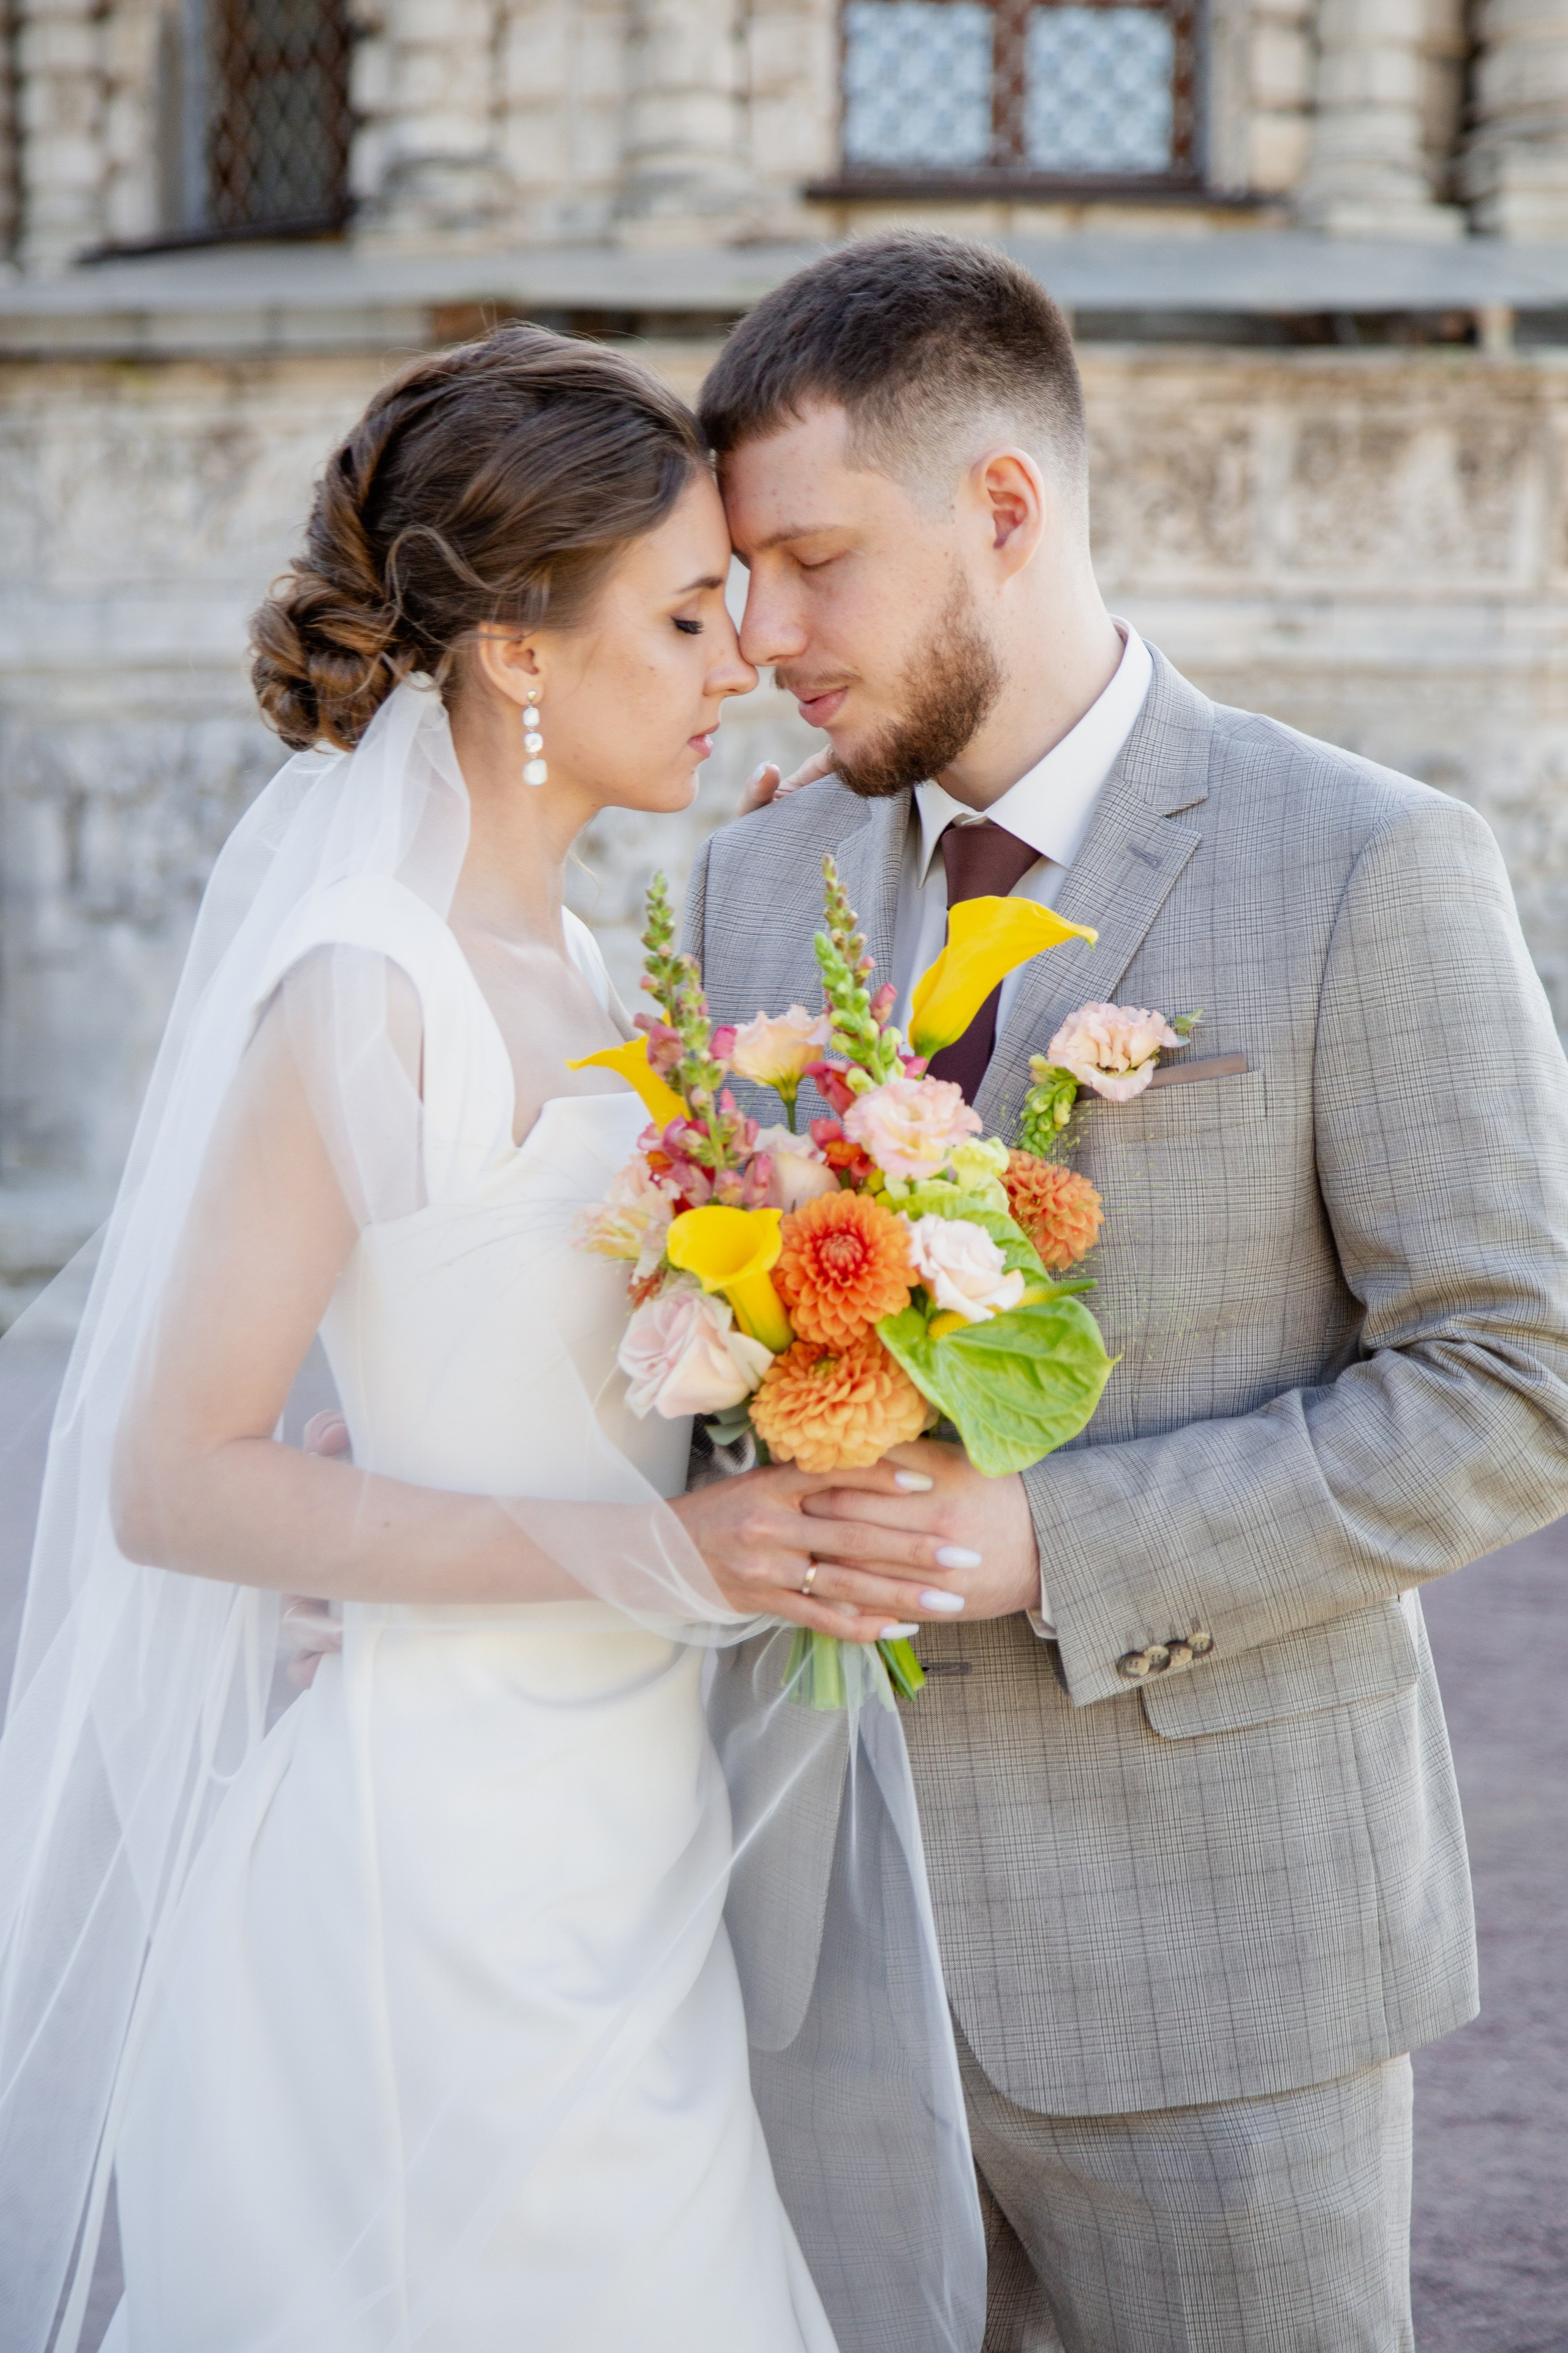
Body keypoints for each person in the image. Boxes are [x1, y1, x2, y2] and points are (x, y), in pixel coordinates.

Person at [0, 327, 987, 2353]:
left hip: (631, 1827)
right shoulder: (370, 990)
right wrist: (667, 1558)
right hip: (437, 1876)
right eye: (692, 613)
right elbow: (176, 1476)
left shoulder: (576, 962)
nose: (740, 661)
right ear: (520, 652)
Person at [687, 232, 1568, 2352]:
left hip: (1223, 1968)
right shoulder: (743, 878)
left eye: (815, 564)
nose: (766, 638)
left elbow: (1518, 1381)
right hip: (811, 1967)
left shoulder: (1368, 860)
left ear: (1003, 508)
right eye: (742, 579)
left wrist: (1047, 1537)